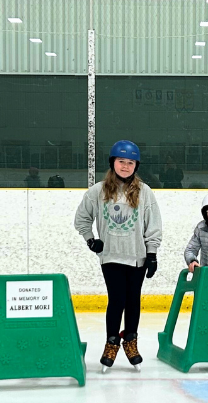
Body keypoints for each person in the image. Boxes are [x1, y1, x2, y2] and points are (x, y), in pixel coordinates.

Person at [74, 140, 162, 373]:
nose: (125, 166)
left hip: (137, 257)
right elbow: (82, 219)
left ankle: (130, 342)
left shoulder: (145, 192)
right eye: (121, 161)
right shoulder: (98, 191)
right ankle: (111, 342)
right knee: (116, 300)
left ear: (136, 166)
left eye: (130, 162)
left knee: (133, 300)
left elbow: (153, 225)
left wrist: (152, 253)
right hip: (111, 256)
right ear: (112, 163)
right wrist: (90, 240)